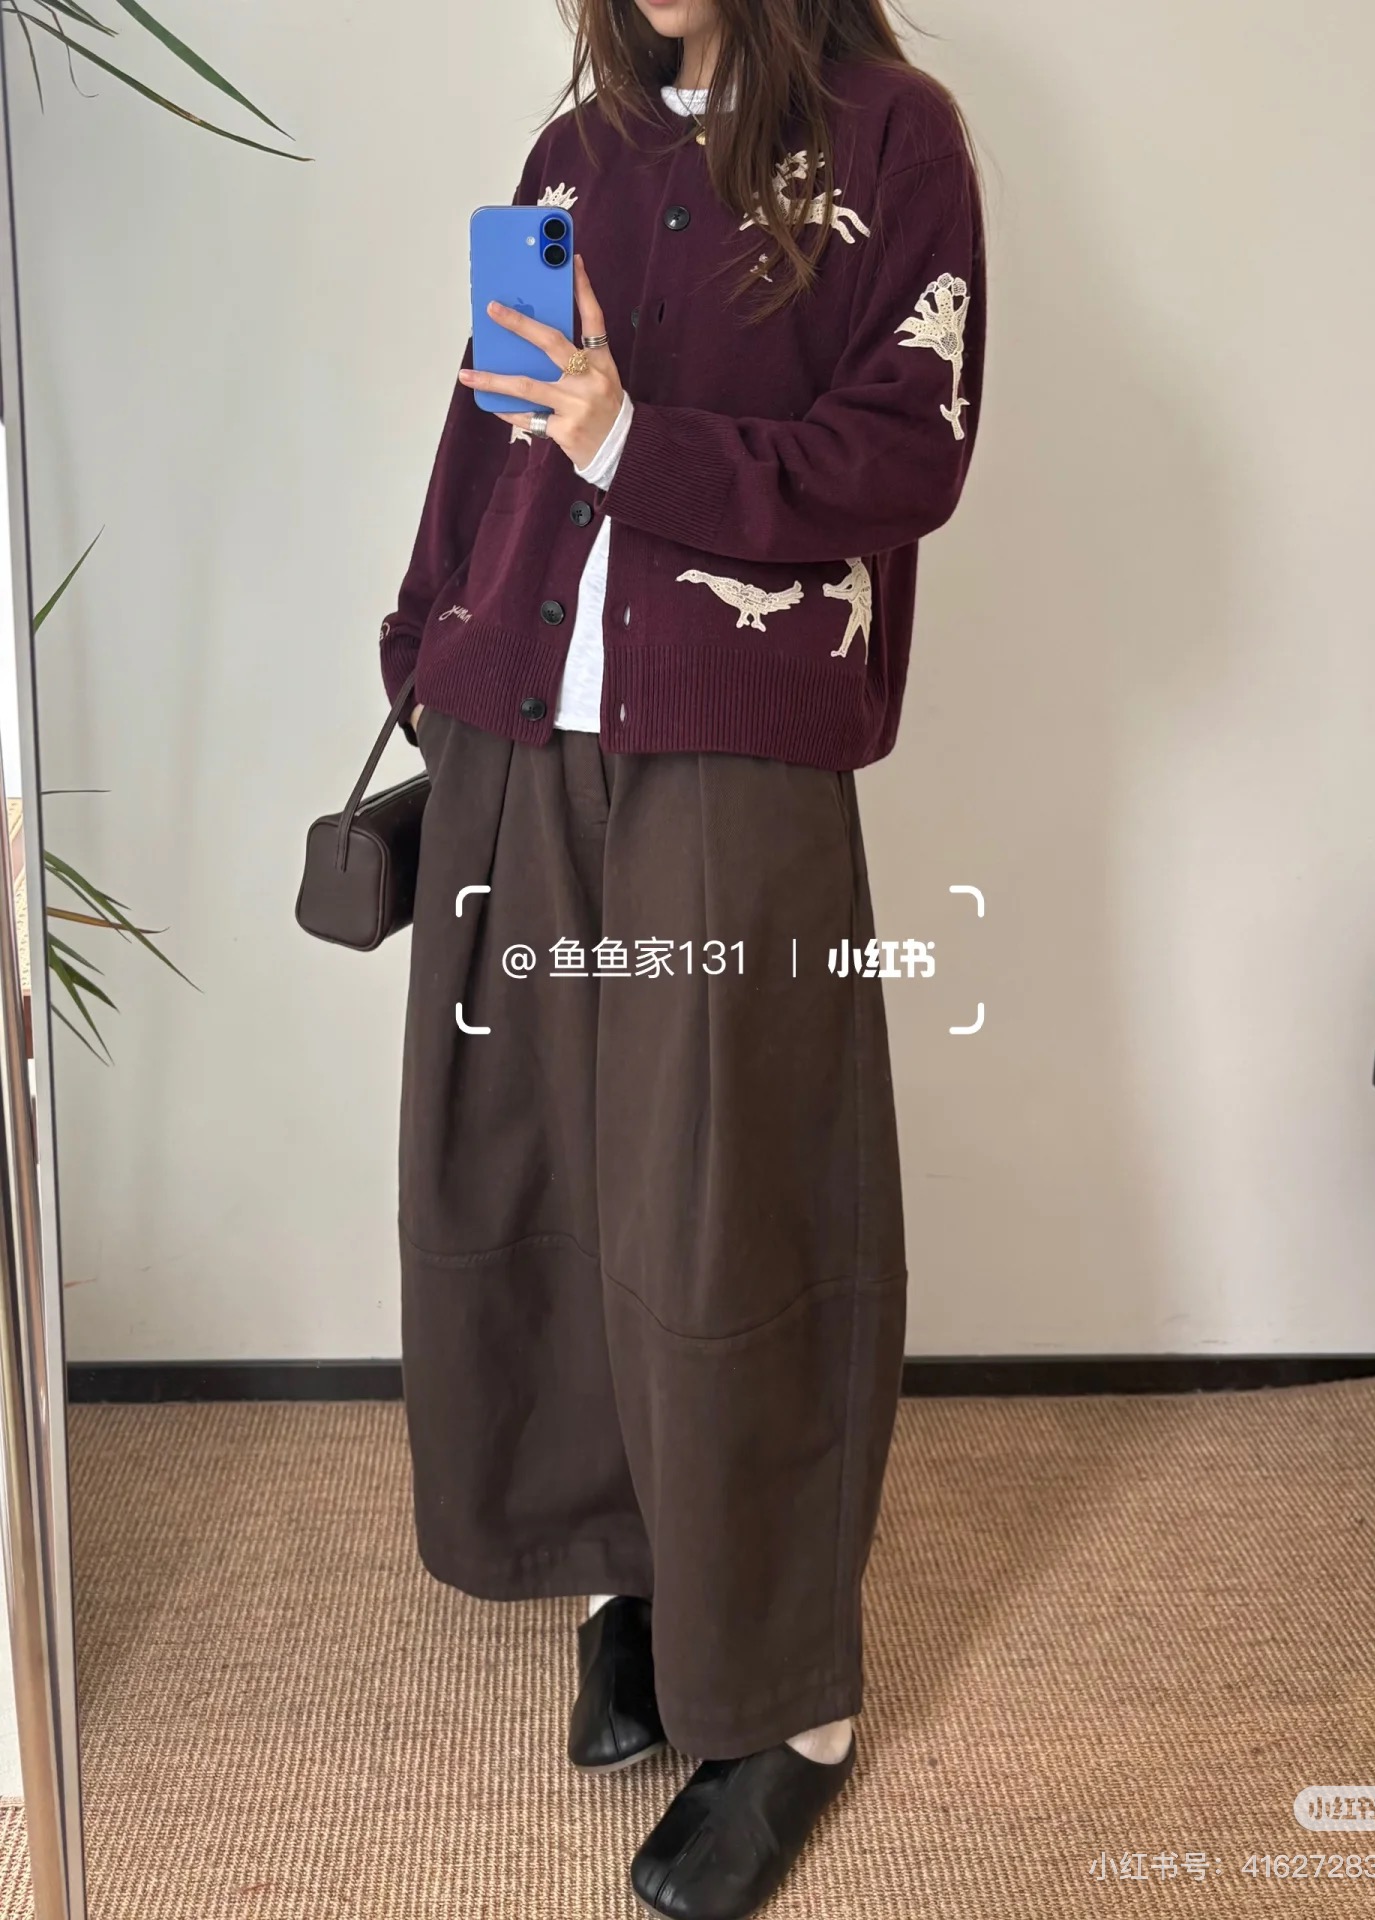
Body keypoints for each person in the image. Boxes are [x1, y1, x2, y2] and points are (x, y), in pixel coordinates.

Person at [379, 1, 986, 1912]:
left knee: (736, 1211)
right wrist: (427, 639)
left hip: (730, 751)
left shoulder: (896, 137)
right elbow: (486, 432)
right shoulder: (578, 151)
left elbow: (906, 455)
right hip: (518, 741)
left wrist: (635, 437)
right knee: (553, 1181)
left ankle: (791, 1705)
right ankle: (632, 1574)